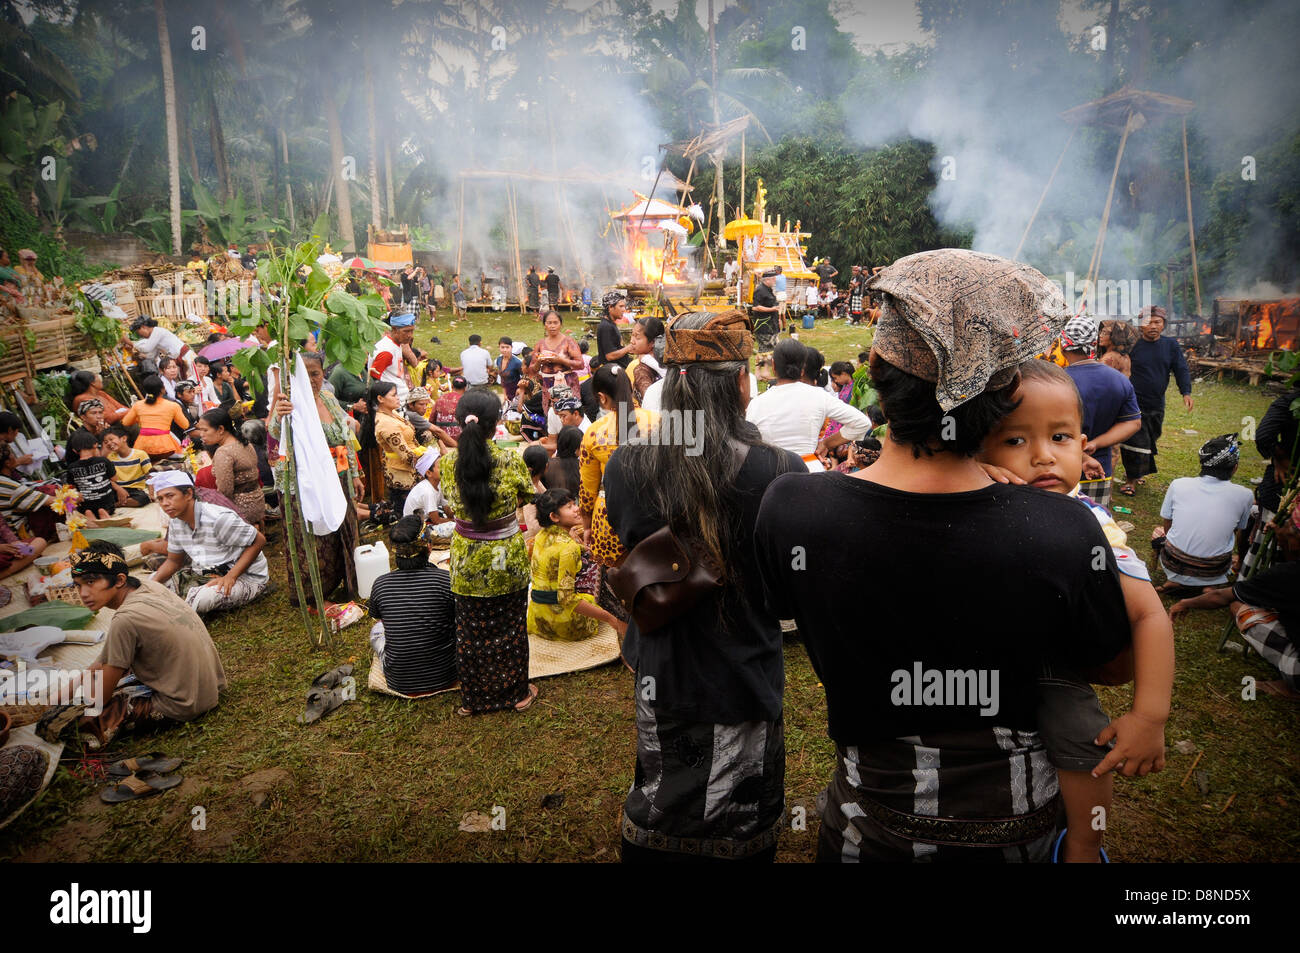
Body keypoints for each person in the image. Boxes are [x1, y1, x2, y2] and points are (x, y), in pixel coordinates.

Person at [754, 248, 1133, 862]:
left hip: (865, 828)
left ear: (875, 366)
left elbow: (781, 608)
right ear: (1008, 390)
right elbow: (1113, 668)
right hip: (1018, 834)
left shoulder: (792, 508)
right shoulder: (1064, 528)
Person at [604, 309, 800, 862]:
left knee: (660, 781)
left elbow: (634, 553)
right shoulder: (779, 470)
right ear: (741, 382)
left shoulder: (625, 464)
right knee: (742, 813)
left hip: (660, 669)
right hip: (744, 673)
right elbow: (786, 592)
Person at [979, 358, 1173, 862]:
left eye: (1060, 438)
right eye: (1014, 440)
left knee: (1082, 742)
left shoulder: (1091, 523)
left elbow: (1149, 615)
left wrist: (1149, 716)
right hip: (972, 663)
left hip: (1053, 666)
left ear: (1085, 445)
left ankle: (1085, 845)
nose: (1043, 457)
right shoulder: (974, 498)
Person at [438, 389, 538, 715]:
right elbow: (527, 495)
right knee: (509, 627)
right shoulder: (510, 460)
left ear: (458, 422)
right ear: (495, 425)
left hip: (466, 558)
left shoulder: (448, 463)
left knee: (470, 629)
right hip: (505, 556)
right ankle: (516, 694)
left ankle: (474, 699)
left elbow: (450, 504)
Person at [71, 542, 225, 748]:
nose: (83, 593)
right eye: (78, 585)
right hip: (211, 686)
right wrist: (80, 679)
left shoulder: (124, 620)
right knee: (101, 676)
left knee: (81, 716)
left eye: (91, 582)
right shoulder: (149, 585)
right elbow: (107, 656)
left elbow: (99, 697)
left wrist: (78, 693)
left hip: (186, 704)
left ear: (119, 580)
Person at [1169, 508, 1300, 699]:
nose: (1282, 529)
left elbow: (1224, 596)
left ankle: (1292, 684)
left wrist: (1185, 603)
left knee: (1239, 606)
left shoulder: (1288, 575)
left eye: (1287, 527)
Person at [270, 351, 363, 612]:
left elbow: (346, 438)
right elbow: (276, 431)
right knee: (312, 539)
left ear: (324, 374)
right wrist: (280, 413)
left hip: (339, 475)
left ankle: (350, 583)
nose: (311, 380)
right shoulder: (290, 403)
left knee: (344, 529)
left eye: (316, 374)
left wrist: (354, 475)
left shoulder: (328, 398)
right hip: (306, 484)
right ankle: (314, 597)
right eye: (305, 374)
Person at [149, 470, 269, 615]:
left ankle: (178, 610)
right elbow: (173, 561)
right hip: (206, 574)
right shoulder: (176, 522)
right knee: (150, 582)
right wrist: (153, 584)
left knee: (203, 598)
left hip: (245, 578)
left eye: (170, 496)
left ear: (188, 494)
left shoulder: (218, 518)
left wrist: (230, 576)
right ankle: (177, 603)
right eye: (160, 499)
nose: (165, 504)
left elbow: (259, 540)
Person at [368, 515, 458, 696]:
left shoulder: (381, 584)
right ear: (429, 546)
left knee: (376, 630)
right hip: (448, 675)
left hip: (400, 681)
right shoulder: (446, 580)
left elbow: (381, 620)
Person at [1151, 434, 1254, 593]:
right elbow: (1234, 530)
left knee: (1158, 533)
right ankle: (1208, 586)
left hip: (1174, 562)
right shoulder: (1245, 495)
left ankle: (1177, 580)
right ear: (1235, 467)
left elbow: (1167, 525)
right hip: (1215, 569)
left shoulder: (1178, 485)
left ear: (1202, 462)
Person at [746, 339, 869, 470]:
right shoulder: (819, 396)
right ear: (802, 369)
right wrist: (826, 444)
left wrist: (826, 443)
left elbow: (748, 446)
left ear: (774, 366)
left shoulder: (757, 404)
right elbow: (862, 423)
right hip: (811, 471)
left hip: (774, 474)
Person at [1059, 315, 1142, 508]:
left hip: (1059, 466)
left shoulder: (1056, 382)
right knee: (1095, 522)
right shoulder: (1119, 380)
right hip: (1098, 469)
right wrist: (1096, 443)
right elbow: (1133, 423)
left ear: (1063, 345)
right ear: (1094, 344)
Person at [579, 364, 656, 572]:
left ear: (602, 398)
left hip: (609, 521)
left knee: (614, 588)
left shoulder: (594, 433)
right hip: (655, 516)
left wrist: (587, 525)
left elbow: (588, 491)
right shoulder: (659, 422)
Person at [528, 488, 625, 643]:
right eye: (569, 507)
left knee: (587, 559)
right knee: (597, 568)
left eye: (574, 503)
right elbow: (566, 598)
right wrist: (609, 618)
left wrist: (580, 546)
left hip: (539, 618)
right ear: (554, 516)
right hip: (566, 625)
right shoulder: (568, 548)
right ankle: (614, 615)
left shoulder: (541, 536)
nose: (577, 508)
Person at [1118, 307, 1192, 496]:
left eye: (1157, 322)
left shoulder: (1170, 345)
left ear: (1163, 325)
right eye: (1148, 322)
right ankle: (1130, 481)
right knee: (1136, 440)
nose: (1153, 326)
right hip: (1133, 402)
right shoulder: (1132, 345)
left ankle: (1139, 469)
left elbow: (1181, 368)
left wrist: (1186, 392)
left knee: (1151, 438)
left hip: (1157, 403)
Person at [195, 408, 264, 529]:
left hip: (241, 509)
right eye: (200, 430)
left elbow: (225, 492)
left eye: (205, 430)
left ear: (221, 429)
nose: (201, 434)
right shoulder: (245, 443)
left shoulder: (223, 452)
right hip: (258, 501)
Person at [367, 380, 422, 514]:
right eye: (394, 395)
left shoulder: (393, 413)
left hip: (408, 468)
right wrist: (429, 464)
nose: (398, 398)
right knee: (406, 512)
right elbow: (406, 455)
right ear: (380, 399)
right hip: (402, 473)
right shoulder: (386, 423)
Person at [0, 442, 61, 538]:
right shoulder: (11, 488)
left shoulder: (4, 481)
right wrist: (73, 497)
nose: (15, 457)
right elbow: (47, 500)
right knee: (53, 498)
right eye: (12, 453)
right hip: (18, 533)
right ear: (7, 463)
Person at [123, 375, 189, 462]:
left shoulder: (138, 405)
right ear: (163, 389)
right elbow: (185, 425)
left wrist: (140, 419)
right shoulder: (172, 405)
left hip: (142, 445)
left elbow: (125, 422)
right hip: (165, 446)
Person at [529, 311, 583, 416]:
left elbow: (580, 364)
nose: (552, 326)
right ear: (544, 325)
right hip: (548, 386)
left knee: (569, 414)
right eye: (549, 323)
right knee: (552, 416)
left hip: (567, 384)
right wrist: (539, 362)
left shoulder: (568, 341)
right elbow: (532, 369)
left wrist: (560, 360)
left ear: (560, 324)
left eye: (555, 322)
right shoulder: (540, 344)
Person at [64, 430, 124, 519]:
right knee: (107, 502)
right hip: (106, 501)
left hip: (87, 502)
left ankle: (88, 512)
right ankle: (104, 511)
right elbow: (114, 479)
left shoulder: (71, 467)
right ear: (95, 445)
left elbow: (73, 486)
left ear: (74, 450)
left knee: (86, 508)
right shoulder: (104, 461)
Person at [368, 312, 414, 407]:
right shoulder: (386, 351)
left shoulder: (396, 345)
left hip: (400, 401)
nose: (410, 335)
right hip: (391, 406)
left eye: (412, 331)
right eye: (406, 331)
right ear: (394, 329)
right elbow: (374, 380)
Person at [125, 317, 194, 378]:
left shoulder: (157, 331)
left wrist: (131, 343)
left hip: (186, 357)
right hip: (180, 359)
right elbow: (152, 356)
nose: (140, 335)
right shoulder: (153, 337)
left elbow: (147, 348)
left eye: (139, 332)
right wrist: (138, 354)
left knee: (195, 379)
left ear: (143, 327)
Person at [101, 426, 152, 507]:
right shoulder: (110, 457)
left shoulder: (140, 454)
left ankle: (117, 504)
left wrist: (151, 494)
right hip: (118, 489)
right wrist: (118, 489)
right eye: (106, 442)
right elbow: (108, 478)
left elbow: (150, 476)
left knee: (143, 498)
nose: (109, 443)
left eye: (111, 439)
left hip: (135, 490)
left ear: (124, 438)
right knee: (103, 497)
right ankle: (123, 502)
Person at [627, 317, 665, 404]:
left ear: (653, 342)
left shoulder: (636, 367)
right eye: (632, 335)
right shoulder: (669, 361)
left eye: (637, 337)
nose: (632, 341)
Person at [402, 447, 444, 521]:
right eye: (440, 467)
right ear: (429, 473)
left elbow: (446, 506)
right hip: (415, 525)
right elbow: (436, 521)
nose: (444, 468)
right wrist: (453, 521)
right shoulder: (427, 491)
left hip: (426, 517)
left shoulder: (439, 484)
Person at [593, 292, 632, 370]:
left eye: (624, 306)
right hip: (613, 372)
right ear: (610, 307)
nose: (624, 310)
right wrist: (628, 348)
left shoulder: (610, 324)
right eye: (621, 306)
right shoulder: (606, 327)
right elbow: (610, 356)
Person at [543, 425, 582, 494]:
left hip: (549, 502)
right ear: (576, 449)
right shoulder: (581, 466)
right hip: (573, 503)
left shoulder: (546, 465)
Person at [751, 269, 780, 348]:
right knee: (765, 351)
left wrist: (778, 320)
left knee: (775, 350)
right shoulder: (760, 290)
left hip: (772, 325)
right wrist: (772, 309)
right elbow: (756, 307)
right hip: (764, 326)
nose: (775, 280)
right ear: (767, 280)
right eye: (773, 278)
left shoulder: (769, 289)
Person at [433, 375, 467, 441]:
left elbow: (432, 419)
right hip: (459, 438)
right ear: (465, 388)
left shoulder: (441, 398)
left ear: (451, 386)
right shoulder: (466, 401)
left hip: (441, 437)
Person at [494, 337, 523, 401]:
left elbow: (525, 377)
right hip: (506, 392)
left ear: (511, 347)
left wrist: (520, 390)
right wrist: (504, 394)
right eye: (502, 347)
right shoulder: (498, 360)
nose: (505, 350)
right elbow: (502, 379)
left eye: (507, 347)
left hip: (517, 393)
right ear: (499, 347)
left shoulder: (517, 362)